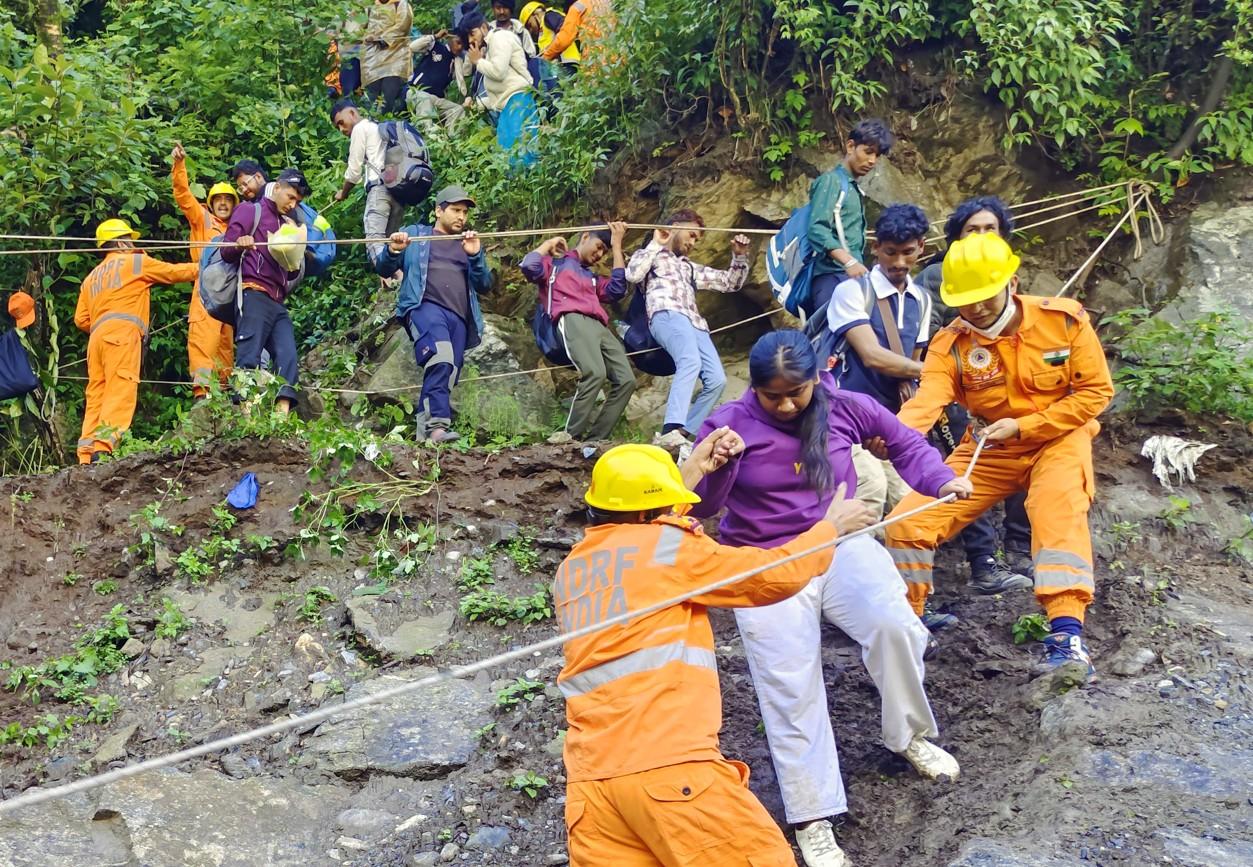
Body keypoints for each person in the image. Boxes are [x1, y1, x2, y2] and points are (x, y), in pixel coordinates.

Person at [690, 329, 964, 866]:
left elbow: (906, 443)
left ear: (817, 379)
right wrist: (718, 464)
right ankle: (813, 816)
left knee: (897, 625)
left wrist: (941, 479)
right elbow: (701, 508)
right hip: (765, 562)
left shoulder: (845, 406)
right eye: (775, 396)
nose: (788, 404)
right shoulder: (728, 424)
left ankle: (908, 735)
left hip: (839, 543)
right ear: (755, 389)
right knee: (790, 685)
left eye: (798, 392)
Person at [555, 435, 877, 866]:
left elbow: (641, 543)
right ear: (650, 510)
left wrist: (689, 476)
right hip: (671, 773)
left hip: (593, 791)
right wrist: (829, 528)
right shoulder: (668, 548)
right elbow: (771, 577)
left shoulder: (573, 568)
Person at [885, 233, 1114, 679]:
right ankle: (908, 623)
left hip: (1058, 439)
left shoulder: (1063, 322)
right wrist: (890, 437)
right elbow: (926, 401)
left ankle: (1066, 635)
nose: (976, 309)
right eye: (965, 301)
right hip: (989, 448)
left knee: (1055, 509)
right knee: (907, 523)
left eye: (984, 297)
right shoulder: (951, 345)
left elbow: (1095, 393)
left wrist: (1027, 426)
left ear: (1012, 281)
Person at [918, 195, 1034, 583]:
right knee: (964, 466)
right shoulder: (937, 277)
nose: (982, 236)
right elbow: (926, 334)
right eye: (973, 230)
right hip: (955, 379)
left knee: (1027, 445)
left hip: (1006, 386)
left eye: (991, 230)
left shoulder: (1003, 272)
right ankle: (984, 562)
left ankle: (1020, 547)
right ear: (955, 238)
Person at [824, 203, 932, 523]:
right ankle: (853, 568)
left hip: (886, 424)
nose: (899, 262)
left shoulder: (921, 300)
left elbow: (909, 375)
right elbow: (872, 355)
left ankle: (897, 571)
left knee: (913, 503)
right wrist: (935, 373)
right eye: (890, 252)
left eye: (908, 252)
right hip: (843, 417)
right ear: (875, 248)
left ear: (921, 247)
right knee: (870, 486)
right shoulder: (852, 291)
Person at [74, 219, 198, 464]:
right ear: (121, 241)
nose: (133, 243)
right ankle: (104, 447)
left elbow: (80, 319)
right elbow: (175, 273)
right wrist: (206, 265)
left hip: (97, 339)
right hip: (122, 334)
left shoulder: (90, 278)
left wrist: (104, 324)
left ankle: (85, 456)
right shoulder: (134, 262)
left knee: (96, 392)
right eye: (130, 239)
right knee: (121, 387)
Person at [374, 185, 491, 444]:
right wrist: (393, 249)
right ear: (439, 211)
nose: (462, 217)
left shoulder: (466, 244)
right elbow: (383, 267)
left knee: (446, 372)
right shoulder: (417, 235)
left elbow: (484, 284)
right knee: (440, 357)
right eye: (456, 210)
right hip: (424, 307)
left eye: (465, 212)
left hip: (459, 317)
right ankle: (437, 427)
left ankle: (423, 439)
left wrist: (476, 255)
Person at [625, 209, 750, 448]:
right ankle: (670, 428)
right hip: (666, 313)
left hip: (696, 324)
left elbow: (729, 283)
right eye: (691, 235)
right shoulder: (652, 255)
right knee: (690, 360)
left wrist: (739, 257)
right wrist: (656, 243)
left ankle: (683, 434)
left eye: (696, 239)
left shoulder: (689, 267)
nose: (693, 243)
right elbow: (633, 275)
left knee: (717, 379)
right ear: (675, 227)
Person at [520, 223, 634, 443]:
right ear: (585, 237)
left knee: (627, 380)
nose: (599, 254)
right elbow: (528, 265)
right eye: (599, 246)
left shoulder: (592, 278)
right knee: (595, 372)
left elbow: (617, 289)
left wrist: (616, 246)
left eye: (604, 251)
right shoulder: (555, 264)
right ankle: (569, 436)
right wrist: (548, 244)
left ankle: (596, 439)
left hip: (599, 326)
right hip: (572, 318)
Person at [220, 169, 312, 416]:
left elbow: (291, 274)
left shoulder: (287, 223)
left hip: (277, 298)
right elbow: (225, 251)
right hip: (253, 291)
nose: (292, 204)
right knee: (249, 353)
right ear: (278, 187)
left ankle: (281, 417)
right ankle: (247, 417)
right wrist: (240, 244)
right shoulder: (251, 210)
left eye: (297, 202)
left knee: (288, 355)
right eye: (290, 197)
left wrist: (294, 253)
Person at [805, 119, 894, 320]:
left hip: (847, 277)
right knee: (831, 341)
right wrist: (850, 261)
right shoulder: (832, 181)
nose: (872, 161)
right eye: (868, 152)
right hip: (830, 277)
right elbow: (817, 229)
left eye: (877, 155)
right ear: (850, 146)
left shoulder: (851, 186)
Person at [171, 143, 239, 399]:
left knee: (225, 343)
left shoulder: (238, 228)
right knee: (203, 338)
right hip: (206, 289)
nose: (223, 204)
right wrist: (179, 165)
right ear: (211, 203)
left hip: (229, 292)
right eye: (218, 200)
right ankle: (202, 393)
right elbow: (183, 195)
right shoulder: (203, 219)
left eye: (227, 200)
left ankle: (223, 390)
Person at [331, 98, 405, 269]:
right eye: (338, 127)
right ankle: (395, 282)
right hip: (398, 192)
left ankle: (391, 276)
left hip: (379, 190)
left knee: (374, 241)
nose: (342, 129)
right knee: (391, 243)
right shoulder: (376, 127)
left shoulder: (360, 129)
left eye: (341, 123)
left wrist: (343, 193)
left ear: (352, 113)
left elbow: (354, 172)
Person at [467, 16, 539, 161]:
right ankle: (518, 183)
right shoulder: (491, 46)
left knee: (520, 152)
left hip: (518, 100)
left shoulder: (499, 38)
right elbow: (501, 87)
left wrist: (478, 62)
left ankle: (525, 183)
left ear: (483, 27)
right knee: (508, 152)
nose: (470, 40)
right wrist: (476, 105)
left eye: (472, 33)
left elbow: (499, 72)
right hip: (510, 103)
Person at [408, 30, 470, 131]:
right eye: (458, 43)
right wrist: (435, 37)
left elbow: (466, 74)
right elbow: (412, 47)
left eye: (462, 45)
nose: (460, 47)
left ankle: (451, 140)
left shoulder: (457, 61)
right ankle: (427, 138)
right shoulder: (435, 46)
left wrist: (469, 52)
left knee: (458, 109)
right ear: (449, 39)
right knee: (425, 100)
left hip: (436, 99)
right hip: (416, 92)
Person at [362, 0, 413, 115]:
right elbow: (359, 26)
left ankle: (386, 122)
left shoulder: (400, 4)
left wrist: (382, 38)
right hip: (372, 60)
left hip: (394, 59)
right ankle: (371, 122)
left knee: (388, 98)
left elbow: (402, 26)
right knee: (372, 97)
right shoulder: (370, 7)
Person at [520, 2, 579, 73]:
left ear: (535, 14)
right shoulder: (543, 31)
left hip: (566, 63)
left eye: (529, 25)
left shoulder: (549, 16)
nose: (531, 30)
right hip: (555, 67)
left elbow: (565, 31)